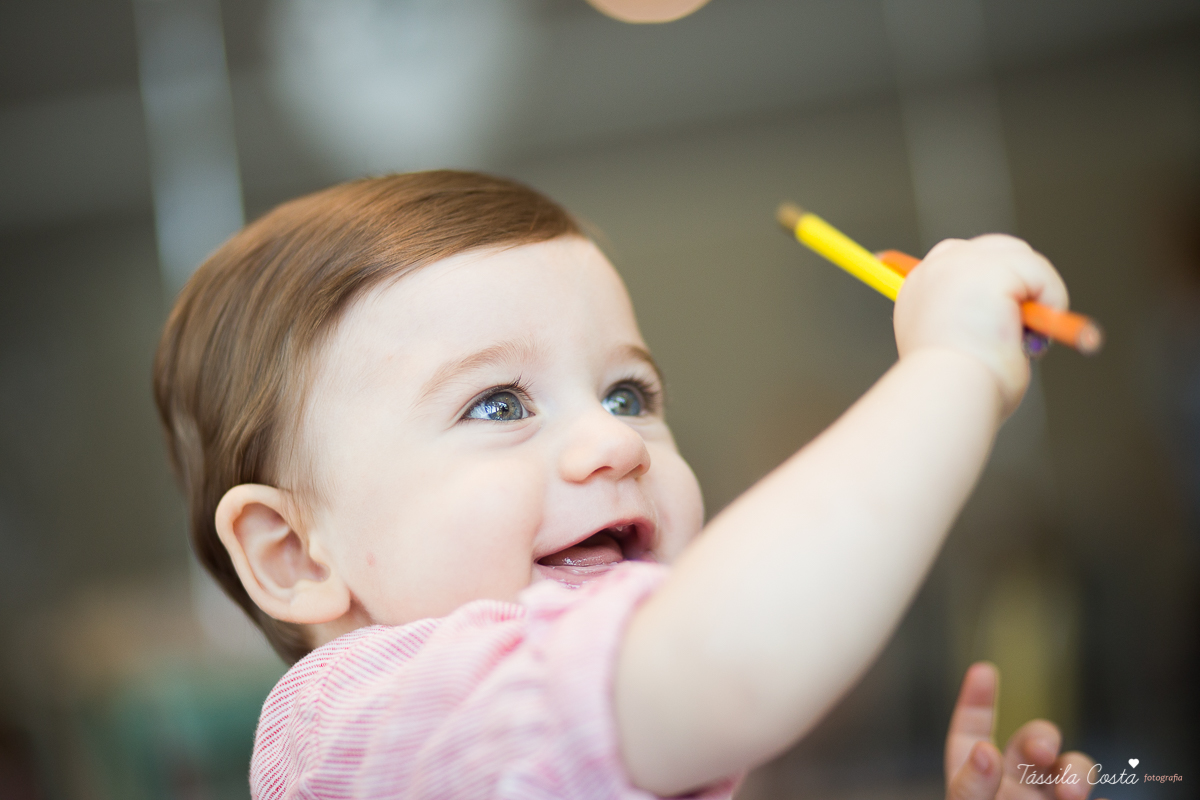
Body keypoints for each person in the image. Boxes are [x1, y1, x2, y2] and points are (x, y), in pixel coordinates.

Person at [153, 171, 1100, 799]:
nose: (611, 441)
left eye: (626, 391)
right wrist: (949, 372)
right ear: (292, 552)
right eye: (496, 405)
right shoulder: (368, 726)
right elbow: (730, 661)